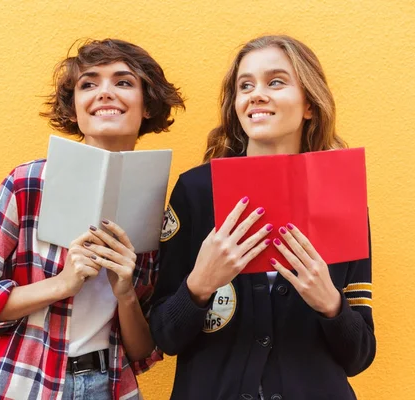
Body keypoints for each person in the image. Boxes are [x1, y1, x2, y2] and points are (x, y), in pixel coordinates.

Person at [0, 38, 185, 400]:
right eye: (88, 84)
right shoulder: (28, 183)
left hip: (109, 386)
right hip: (23, 383)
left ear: (147, 104)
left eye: (123, 82)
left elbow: (142, 351)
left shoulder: (153, 202)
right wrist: (63, 284)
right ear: (73, 109)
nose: (104, 92)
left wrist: (125, 294)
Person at [150, 35, 375, 400]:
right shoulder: (195, 191)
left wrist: (330, 304)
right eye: (245, 86)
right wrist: (199, 285)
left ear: (309, 105)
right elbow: (162, 336)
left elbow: (359, 356)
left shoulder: (341, 195)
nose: (256, 94)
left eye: (276, 82)